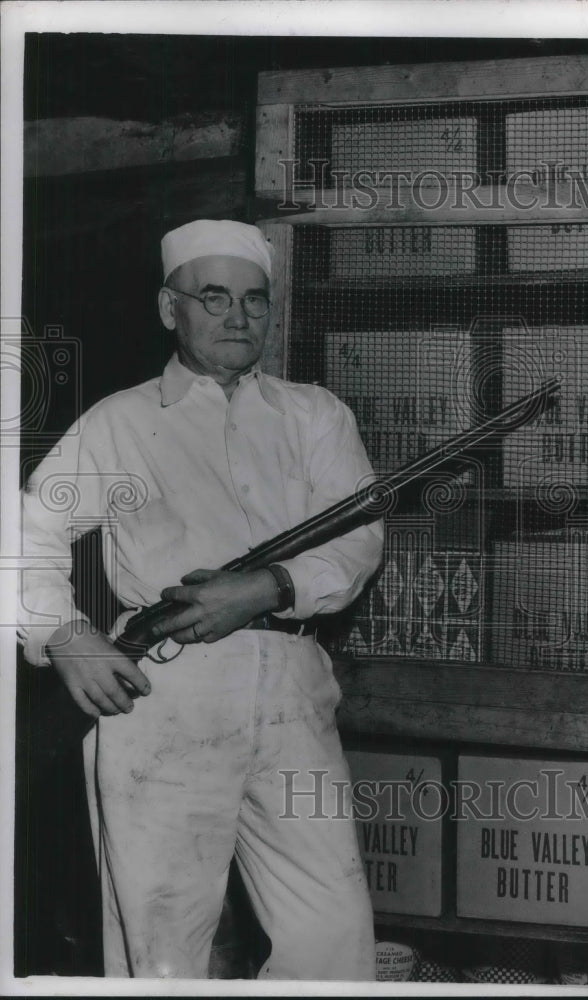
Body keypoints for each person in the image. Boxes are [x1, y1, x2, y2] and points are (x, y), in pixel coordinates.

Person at [18, 219, 384, 980]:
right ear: (168, 308)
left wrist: (268, 588)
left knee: (334, 940)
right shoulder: (121, 422)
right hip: (165, 698)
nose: (237, 316)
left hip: (293, 693)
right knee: (162, 951)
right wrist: (61, 630)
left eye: (254, 299)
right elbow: (24, 531)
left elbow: (357, 540)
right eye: (212, 297)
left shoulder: (315, 415)